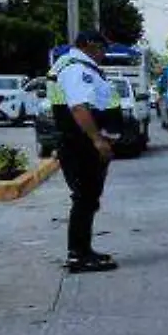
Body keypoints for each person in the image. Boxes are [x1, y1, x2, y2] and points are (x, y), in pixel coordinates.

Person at [47, 29, 119, 273]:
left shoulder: (69, 63)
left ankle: (83, 250)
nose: (104, 53)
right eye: (102, 48)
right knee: (85, 198)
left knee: (87, 198)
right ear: (89, 45)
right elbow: (79, 107)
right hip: (81, 143)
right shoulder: (77, 68)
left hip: (77, 142)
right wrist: (97, 139)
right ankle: (78, 254)